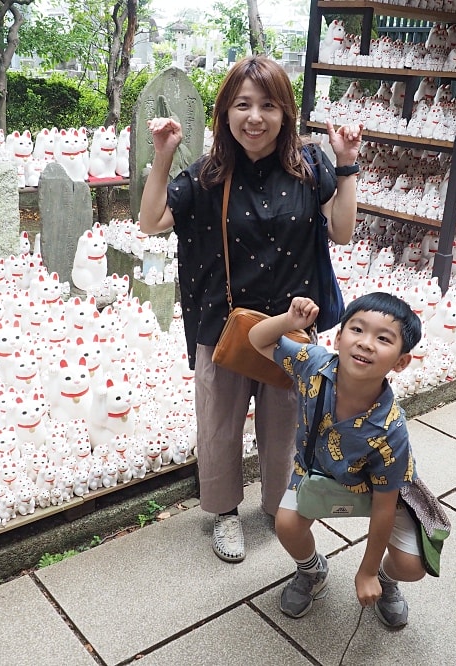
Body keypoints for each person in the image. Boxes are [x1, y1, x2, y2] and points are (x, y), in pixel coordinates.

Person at [138, 55, 362, 563]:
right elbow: (152, 221)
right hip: (224, 327)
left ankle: (277, 503)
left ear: (285, 114)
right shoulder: (208, 174)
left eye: (267, 105)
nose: (254, 117)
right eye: (242, 105)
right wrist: (163, 155)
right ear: (224, 113)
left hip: (292, 330)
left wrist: (346, 164)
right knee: (218, 426)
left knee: (285, 427)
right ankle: (223, 514)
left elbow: (341, 231)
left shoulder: (309, 168)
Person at [248, 292, 426, 626]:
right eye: (357, 330)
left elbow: (385, 506)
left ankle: (387, 583)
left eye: (384, 338)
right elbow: (257, 339)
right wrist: (290, 322)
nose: (366, 343)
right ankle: (312, 571)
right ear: (340, 337)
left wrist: (369, 571)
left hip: (379, 490)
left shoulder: (391, 430)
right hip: (315, 471)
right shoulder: (314, 364)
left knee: (413, 565)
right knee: (286, 523)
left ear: (401, 361)